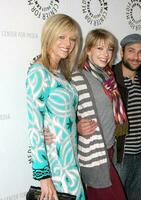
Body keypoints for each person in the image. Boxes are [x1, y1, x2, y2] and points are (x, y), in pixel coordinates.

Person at [26, 14, 85, 200]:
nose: (68, 43)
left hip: (70, 160)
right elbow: (34, 128)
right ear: (49, 35)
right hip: (55, 164)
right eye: (62, 37)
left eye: (72, 39)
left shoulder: (60, 73)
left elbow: (63, 115)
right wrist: (43, 177)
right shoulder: (38, 72)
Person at [72, 29, 127, 200]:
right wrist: (76, 126)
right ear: (88, 49)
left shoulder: (107, 75)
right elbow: (62, 112)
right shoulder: (77, 76)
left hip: (109, 148)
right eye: (99, 48)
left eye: (109, 49)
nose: (106, 54)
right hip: (94, 152)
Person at [113, 34, 141, 200]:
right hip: (119, 156)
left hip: (140, 154)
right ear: (122, 53)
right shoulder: (110, 78)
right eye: (131, 51)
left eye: (140, 52)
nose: (136, 57)